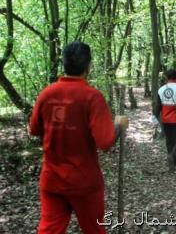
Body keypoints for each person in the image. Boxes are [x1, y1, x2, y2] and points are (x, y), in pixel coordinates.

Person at [29, 41, 129, 234]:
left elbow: (33, 130)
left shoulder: (46, 94)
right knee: (94, 230)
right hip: (84, 183)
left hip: (52, 180)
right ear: (88, 67)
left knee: (49, 230)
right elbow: (105, 142)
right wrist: (118, 125)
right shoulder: (92, 97)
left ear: (64, 64)